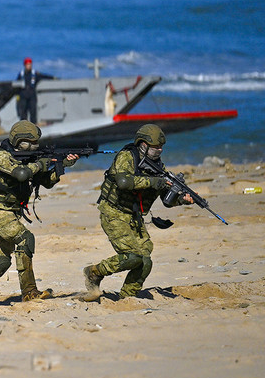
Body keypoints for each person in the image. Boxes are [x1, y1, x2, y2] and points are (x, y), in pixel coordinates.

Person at [0, 120, 79, 304]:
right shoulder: (0, 155)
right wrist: (41, 164)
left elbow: (47, 181)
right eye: (31, 142)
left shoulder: (29, 160)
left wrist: (63, 165)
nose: (35, 146)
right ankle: (29, 292)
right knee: (25, 238)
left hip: (10, 211)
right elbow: (21, 174)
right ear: (20, 141)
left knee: (1, 261)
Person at [82, 124, 193, 301]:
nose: (159, 150)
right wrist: (155, 182)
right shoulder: (127, 157)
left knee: (145, 261)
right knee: (132, 257)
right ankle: (94, 272)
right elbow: (124, 182)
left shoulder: (157, 166)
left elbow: (166, 200)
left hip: (134, 217)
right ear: (143, 144)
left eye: (161, 147)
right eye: (156, 146)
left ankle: (128, 296)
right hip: (113, 212)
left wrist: (181, 199)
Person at [16, 57, 54, 123]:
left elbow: (44, 76)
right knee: (23, 113)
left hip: (32, 95)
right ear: (25, 65)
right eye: (27, 64)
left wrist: (53, 78)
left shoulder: (35, 74)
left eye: (30, 64)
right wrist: (17, 96)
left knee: (33, 112)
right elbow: (16, 84)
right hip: (23, 95)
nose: (29, 66)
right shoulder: (21, 74)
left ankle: (33, 127)